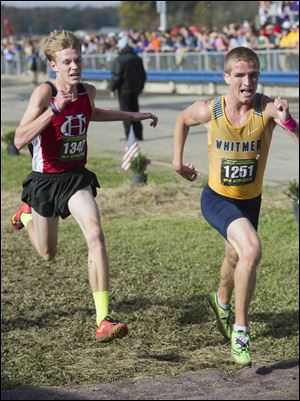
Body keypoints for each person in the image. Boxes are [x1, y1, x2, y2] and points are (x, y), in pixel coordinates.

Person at [11, 30, 158, 343]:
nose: (74, 65)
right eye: (67, 61)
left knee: (95, 234)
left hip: (75, 176)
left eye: (78, 59)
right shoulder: (43, 93)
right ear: (54, 65)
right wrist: (53, 109)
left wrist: (133, 114)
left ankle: (103, 319)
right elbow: (19, 138)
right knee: (48, 253)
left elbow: (93, 113)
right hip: (45, 180)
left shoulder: (88, 91)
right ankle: (26, 217)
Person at [172, 46, 298, 366]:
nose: (247, 81)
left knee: (235, 254)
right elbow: (182, 120)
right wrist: (177, 163)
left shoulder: (266, 109)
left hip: (250, 201)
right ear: (227, 77)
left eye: (253, 75)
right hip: (217, 197)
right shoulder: (210, 110)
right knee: (251, 250)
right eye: (239, 75)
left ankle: (221, 302)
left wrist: (289, 121)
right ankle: (241, 331)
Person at [109, 37, 147, 141]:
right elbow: (143, 75)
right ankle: (139, 135)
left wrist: (112, 89)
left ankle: (129, 136)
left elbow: (116, 76)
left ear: (121, 48)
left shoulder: (119, 59)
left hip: (124, 90)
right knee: (136, 111)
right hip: (135, 89)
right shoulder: (137, 58)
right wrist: (141, 87)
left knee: (125, 113)